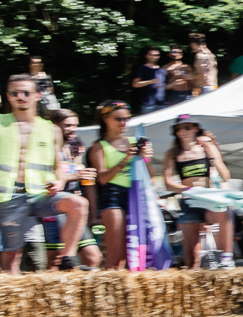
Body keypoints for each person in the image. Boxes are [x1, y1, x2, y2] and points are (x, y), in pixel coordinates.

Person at [0, 77, 90, 274]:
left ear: (37, 96)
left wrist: (60, 181)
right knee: (10, 260)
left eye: (26, 93)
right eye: (15, 93)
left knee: (79, 204)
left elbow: (60, 166)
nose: (20, 97)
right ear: (8, 96)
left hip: (41, 194)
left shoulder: (51, 129)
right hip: (9, 197)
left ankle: (67, 257)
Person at [86, 100, 153, 270]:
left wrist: (146, 158)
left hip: (135, 195)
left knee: (135, 252)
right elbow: (102, 178)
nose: (123, 123)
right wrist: (125, 160)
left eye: (126, 119)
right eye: (118, 119)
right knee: (116, 252)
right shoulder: (99, 146)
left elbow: (150, 175)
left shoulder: (134, 141)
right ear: (106, 119)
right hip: (112, 196)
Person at [162, 114, 235, 269]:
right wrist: (188, 189)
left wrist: (211, 154)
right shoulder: (172, 153)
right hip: (188, 200)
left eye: (187, 127)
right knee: (192, 255)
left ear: (196, 128)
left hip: (207, 199)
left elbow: (225, 176)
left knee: (225, 211)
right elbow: (168, 184)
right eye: (179, 128)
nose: (183, 131)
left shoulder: (207, 147)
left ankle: (226, 257)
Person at [44, 109, 102, 269]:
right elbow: (47, 178)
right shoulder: (47, 148)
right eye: (67, 125)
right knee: (55, 260)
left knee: (93, 256)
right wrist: (76, 175)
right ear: (55, 126)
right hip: (55, 207)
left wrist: (92, 214)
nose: (73, 129)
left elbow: (84, 180)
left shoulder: (73, 147)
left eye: (75, 125)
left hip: (76, 209)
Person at [131, 47, 166, 113]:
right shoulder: (141, 69)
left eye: (157, 55)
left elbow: (165, 86)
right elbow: (135, 84)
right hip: (148, 104)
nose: (154, 57)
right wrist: (150, 82)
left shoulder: (162, 70)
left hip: (162, 103)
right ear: (146, 55)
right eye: (152, 55)